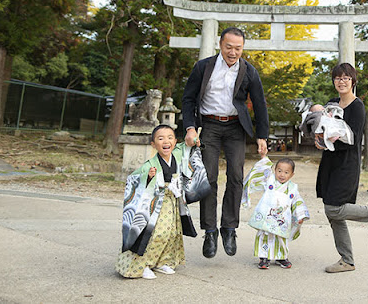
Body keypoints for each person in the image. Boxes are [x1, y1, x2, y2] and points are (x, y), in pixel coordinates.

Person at [182, 27, 269, 259]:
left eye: (238, 48)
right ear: (220, 44)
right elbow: (188, 98)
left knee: (236, 177)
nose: (233, 52)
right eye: (229, 47)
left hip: (235, 127)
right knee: (208, 178)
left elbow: (259, 103)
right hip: (209, 125)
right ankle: (210, 231)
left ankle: (229, 228)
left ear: (243, 48)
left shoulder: (248, 71)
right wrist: (190, 127)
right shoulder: (204, 67)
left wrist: (262, 136)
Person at [315, 63, 368, 273]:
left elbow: (352, 140)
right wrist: (319, 139)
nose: (342, 81)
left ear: (353, 81)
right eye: (338, 78)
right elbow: (322, 127)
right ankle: (347, 260)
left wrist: (329, 141)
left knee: (334, 208)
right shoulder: (331, 104)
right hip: (329, 162)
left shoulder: (357, 106)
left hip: (347, 164)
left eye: (346, 78)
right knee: (332, 214)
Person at [116, 124, 208, 279]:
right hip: (155, 205)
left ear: (175, 141)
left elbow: (188, 147)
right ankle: (143, 264)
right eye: (160, 138)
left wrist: (194, 141)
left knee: (172, 233)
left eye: (170, 137)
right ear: (153, 144)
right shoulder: (151, 164)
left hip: (173, 202)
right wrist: (149, 176)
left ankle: (162, 262)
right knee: (156, 234)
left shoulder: (177, 154)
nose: (166, 141)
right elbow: (135, 178)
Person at [241, 157, 309, 269]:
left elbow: (297, 202)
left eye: (286, 172)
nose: (282, 175)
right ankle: (263, 257)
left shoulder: (292, 188)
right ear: (275, 170)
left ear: (292, 174)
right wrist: (264, 157)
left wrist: (299, 215)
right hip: (267, 216)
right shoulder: (270, 181)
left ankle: (281, 257)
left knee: (281, 237)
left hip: (281, 218)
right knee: (264, 236)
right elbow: (262, 171)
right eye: (279, 171)